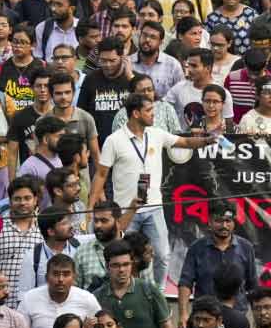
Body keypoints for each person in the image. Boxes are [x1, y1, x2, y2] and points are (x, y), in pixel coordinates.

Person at [89, 92, 219, 287]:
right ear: (135, 113)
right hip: (125, 210)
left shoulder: (157, 134)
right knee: (123, 256)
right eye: (149, 111)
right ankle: (127, 292)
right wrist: (90, 208)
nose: (153, 115)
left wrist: (208, 140)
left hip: (154, 207)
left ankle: (157, 293)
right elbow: (101, 174)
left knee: (162, 255)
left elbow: (184, 142)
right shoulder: (114, 140)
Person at [92, 238, 173, 328]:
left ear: (132, 264)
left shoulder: (149, 290)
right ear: (107, 266)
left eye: (126, 264)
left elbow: (166, 325)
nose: (121, 269)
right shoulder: (97, 297)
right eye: (115, 265)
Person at [17, 254, 101, 328]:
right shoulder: (29, 299)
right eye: (55, 274)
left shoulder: (87, 299)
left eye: (66, 274)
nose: (60, 279)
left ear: (74, 277)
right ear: (46, 277)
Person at [0, 176, 45, 308]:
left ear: (36, 200)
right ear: (10, 201)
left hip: (34, 306)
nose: (22, 203)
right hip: (3, 304)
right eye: (17, 199)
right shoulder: (0, 225)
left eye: (27, 198)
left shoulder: (44, 227)